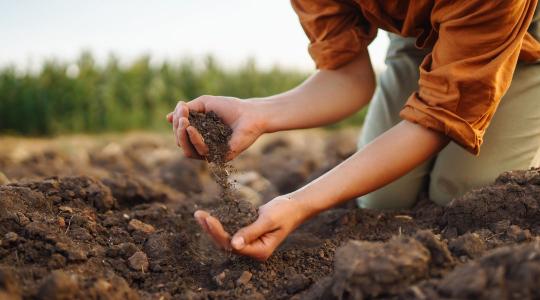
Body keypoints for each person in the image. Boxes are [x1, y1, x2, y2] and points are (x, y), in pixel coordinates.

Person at [167, 0, 540, 261]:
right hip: (416, 35)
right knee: (382, 199)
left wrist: (300, 203)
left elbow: (442, 115)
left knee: (467, 193)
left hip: (515, 36)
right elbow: (347, 75)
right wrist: (257, 113)